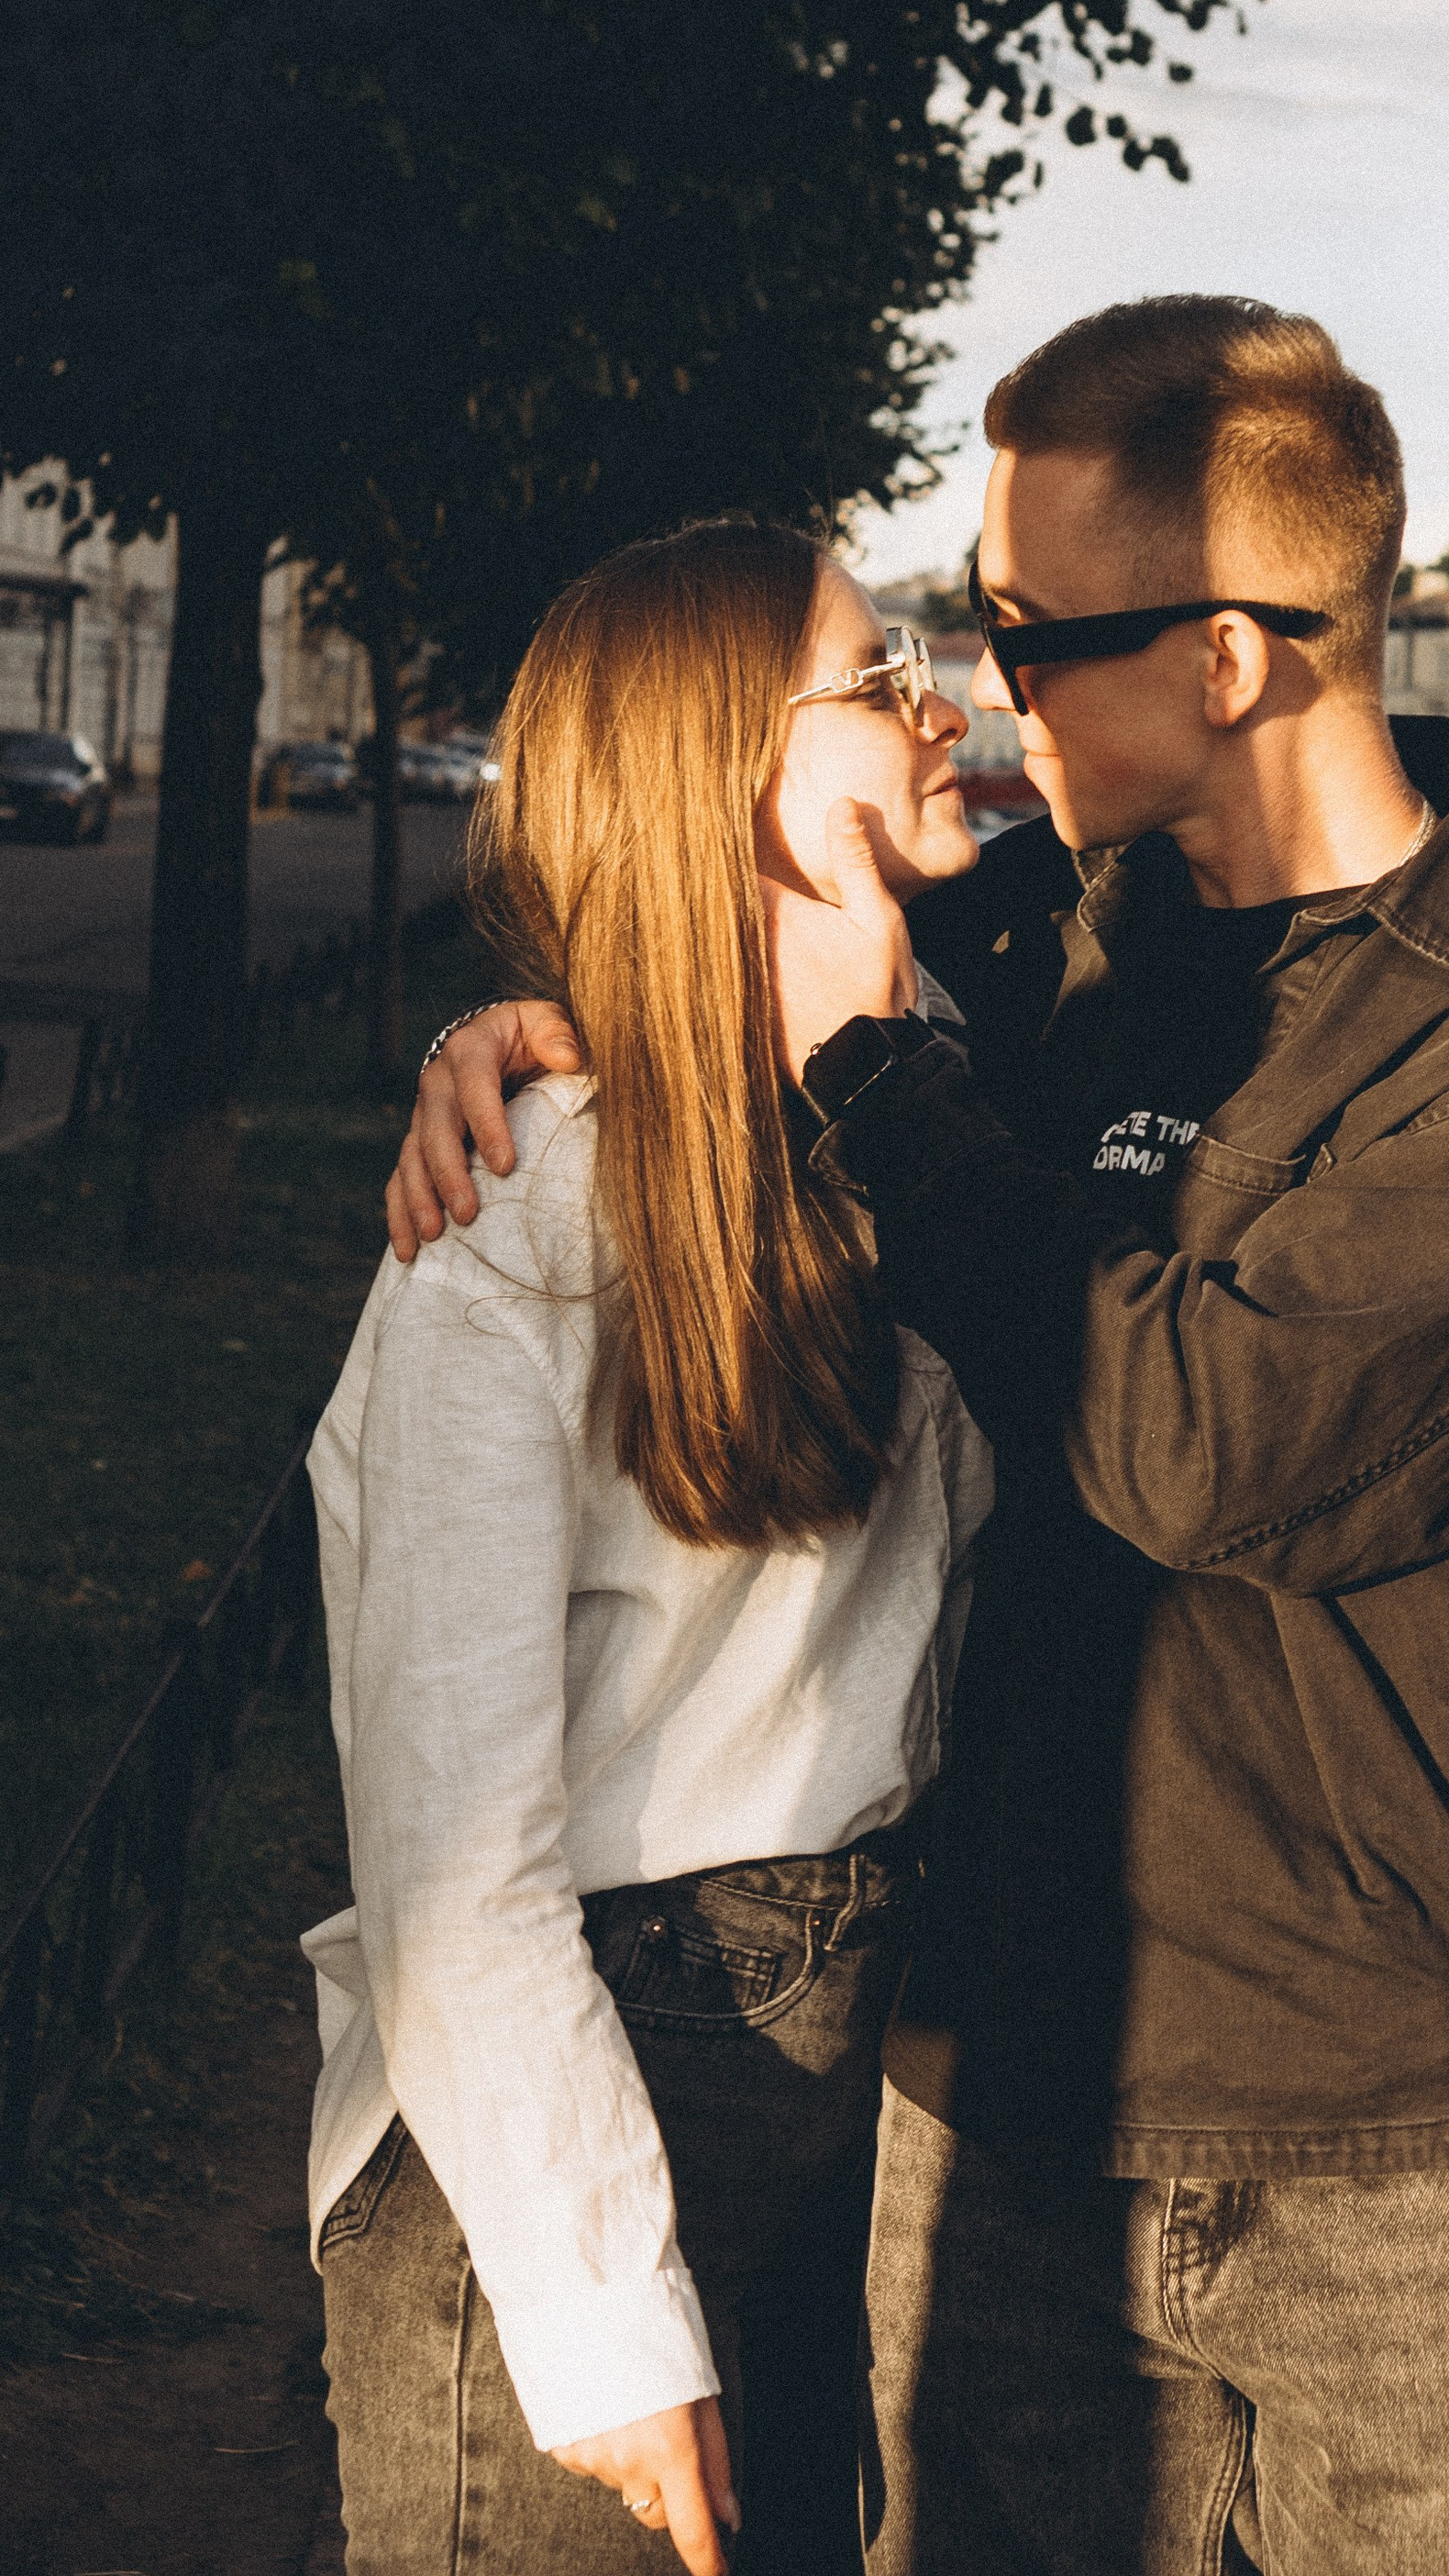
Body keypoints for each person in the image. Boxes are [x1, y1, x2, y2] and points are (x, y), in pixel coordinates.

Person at [389, 297, 1449, 2576]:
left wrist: (868, 1080)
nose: (983, 687)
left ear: (1225, 657)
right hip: (995, 2104)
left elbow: (1211, 1446)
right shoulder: (1044, 959)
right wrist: (553, 1040)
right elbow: (732, 940)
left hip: (1424, 2152)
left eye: (1025, 634)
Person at [309, 516, 992, 2576]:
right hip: (572, 2119)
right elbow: (450, 1860)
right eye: (873, 686)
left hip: (827, 2093)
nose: (933, 700)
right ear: (719, 778)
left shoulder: (934, 1112)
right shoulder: (512, 1239)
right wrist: (598, 2316)